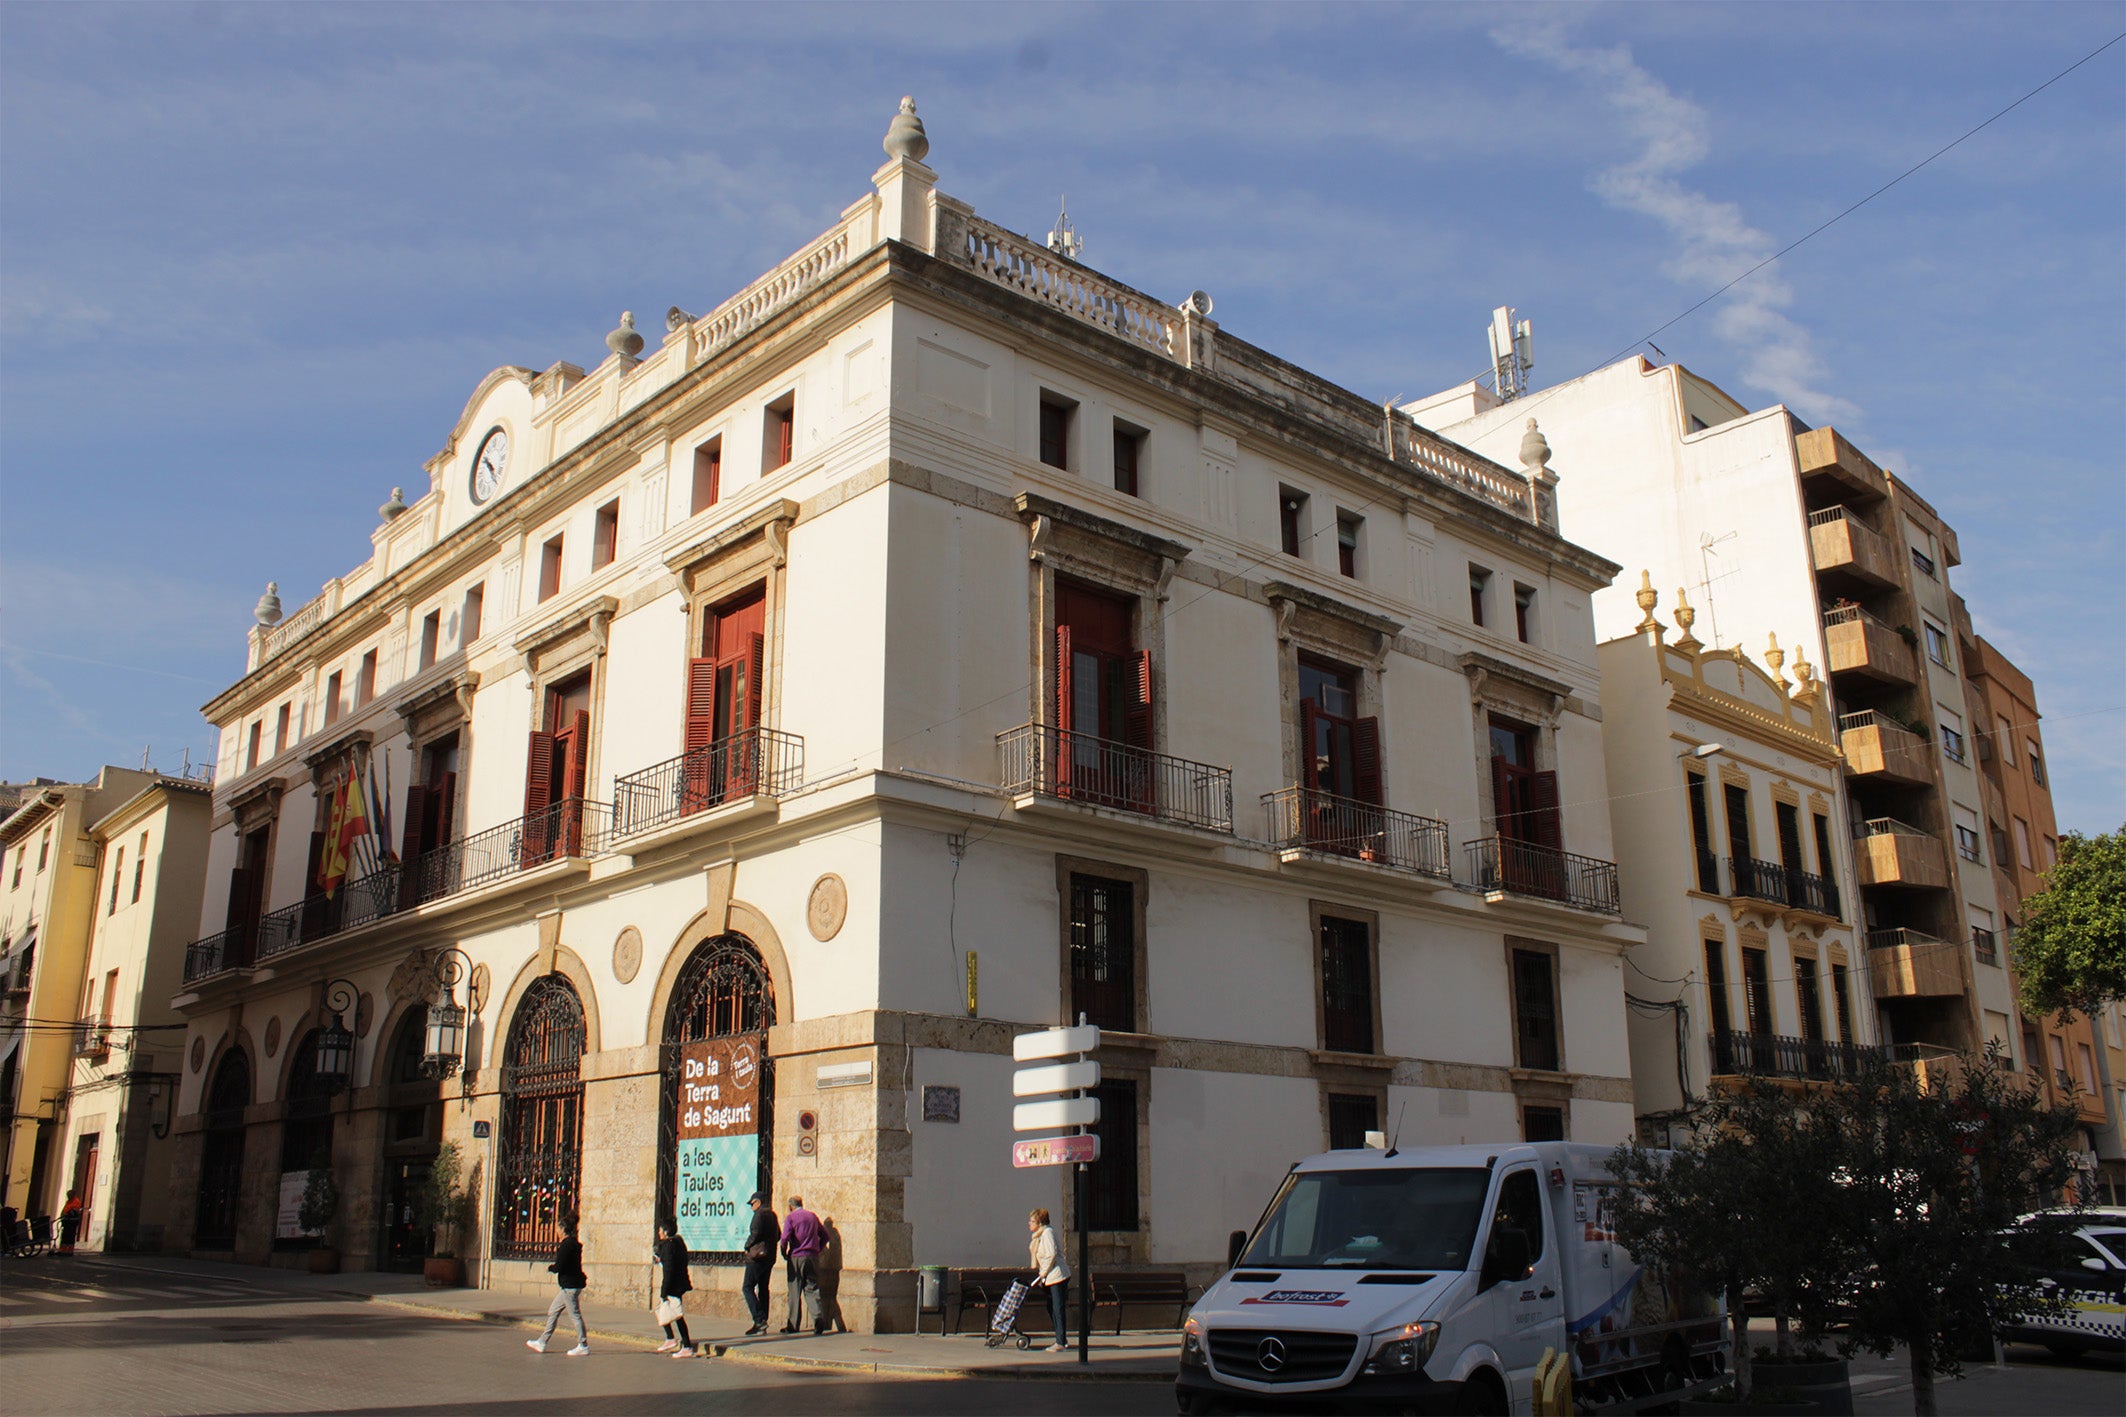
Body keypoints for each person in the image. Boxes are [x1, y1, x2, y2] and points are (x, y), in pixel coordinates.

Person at [527, 1213, 590, 1356]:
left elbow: (560, 1266)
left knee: (574, 1315)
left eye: (557, 1228)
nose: (556, 1231)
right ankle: (542, 1342)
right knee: (553, 1311)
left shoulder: (566, 1245)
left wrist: (551, 1268)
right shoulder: (573, 1243)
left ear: (562, 1229)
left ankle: (583, 1344)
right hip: (570, 1285)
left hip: (569, 1286)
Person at [779, 1194, 825, 1335]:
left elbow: (784, 1238)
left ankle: (793, 1324)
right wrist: (818, 1248)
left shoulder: (791, 1218)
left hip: (797, 1256)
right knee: (812, 1288)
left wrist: (784, 1252)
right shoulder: (812, 1216)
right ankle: (818, 1318)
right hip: (812, 1256)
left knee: (794, 1290)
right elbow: (825, 1235)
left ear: (790, 1206)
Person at [1029, 1207, 1071, 1353]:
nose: (1029, 1223)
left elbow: (1051, 1255)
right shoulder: (1041, 1235)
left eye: (1033, 1221)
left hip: (1057, 1276)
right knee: (1051, 1306)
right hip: (1050, 1277)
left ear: (1040, 1223)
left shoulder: (1047, 1233)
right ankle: (1061, 1338)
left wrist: (1043, 1273)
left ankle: (1060, 1341)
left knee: (1057, 1308)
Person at [654, 1217, 697, 1357]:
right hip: (680, 1282)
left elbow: (669, 1270)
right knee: (668, 1311)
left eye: (660, 1230)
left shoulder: (668, 1246)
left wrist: (663, 1291)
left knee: (675, 1314)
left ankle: (686, 1345)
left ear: (665, 1232)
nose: (658, 1233)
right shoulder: (678, 1242)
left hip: (674, 1284)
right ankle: (671, 1339)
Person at [741, 1192, 778, 1336]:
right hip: (769, 1257)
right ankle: (762, 1322)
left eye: (752, 1203)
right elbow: (778, 1235)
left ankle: (759, 1319)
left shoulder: (759, 1215)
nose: (751, 1207)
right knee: (763, 1288)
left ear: (759, 1202)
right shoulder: (772, 1215)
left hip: (757, 1257)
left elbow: (755, 1234)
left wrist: (747, 1246)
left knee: (747, 1287)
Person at [58, 1190, 83, 1256]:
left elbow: (74, 1212)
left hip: (72, 1222)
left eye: (69, 1195)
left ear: (72, 1195)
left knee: (70, 1237)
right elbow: (65, 1209)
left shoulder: (76, 1202)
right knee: (64, 1236)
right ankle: (63, 1250)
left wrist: (67, 1214)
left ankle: (69, 1251)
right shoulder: (68, 1202)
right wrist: (62, 1215)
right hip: (66, 1222)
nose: (68, 1196)